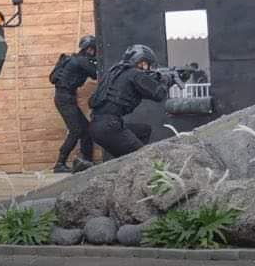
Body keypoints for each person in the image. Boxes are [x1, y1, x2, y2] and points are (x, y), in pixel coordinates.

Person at [88, 44, 171, 159]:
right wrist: (166, 80)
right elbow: (159, 95)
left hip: (97, 126)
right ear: (141, 62)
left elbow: (143, 92)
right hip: (110, 127)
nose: (148, 69)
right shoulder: (134, 74)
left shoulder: (115, 72)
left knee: (144, 131)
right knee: (143, 158)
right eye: (147, 65)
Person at [49, 35, 99, 173]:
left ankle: (86, 162)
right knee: (76, 130)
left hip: (66, 98)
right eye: (94, 49)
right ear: (89, 49)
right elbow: (95, 74)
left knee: (86, 129)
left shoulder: (75, 59)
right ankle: (60, 163)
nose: (95, 52)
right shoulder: (82, 61)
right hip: (65, 99)